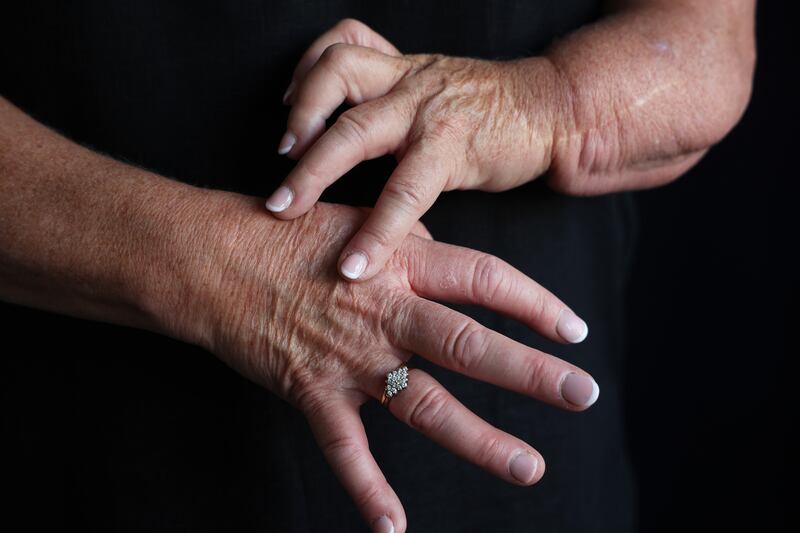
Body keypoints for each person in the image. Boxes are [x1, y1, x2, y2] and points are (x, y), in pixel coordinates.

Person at [0, 1, 755, 531]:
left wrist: (538, 105)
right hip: (101, 459)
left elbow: (708, 40)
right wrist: (226, 266)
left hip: (528, 466)